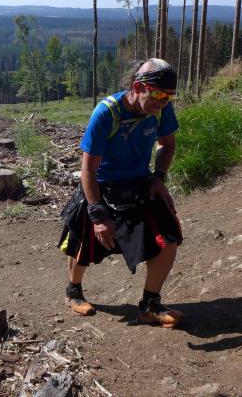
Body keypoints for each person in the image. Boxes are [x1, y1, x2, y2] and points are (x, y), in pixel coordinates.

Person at [58, 58, 183, 327]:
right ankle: (73, 291)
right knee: (83, 243)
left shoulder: (161, 109)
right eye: (159, 95)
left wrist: (159, 177)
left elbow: (167, 144)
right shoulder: (107, 113)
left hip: (140, 185)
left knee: (168, 239)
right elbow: (88, 169)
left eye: (170, 97)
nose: (164, 102)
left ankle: (150, 304)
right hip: (101, 187)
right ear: (138, 87)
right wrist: (97, 214)